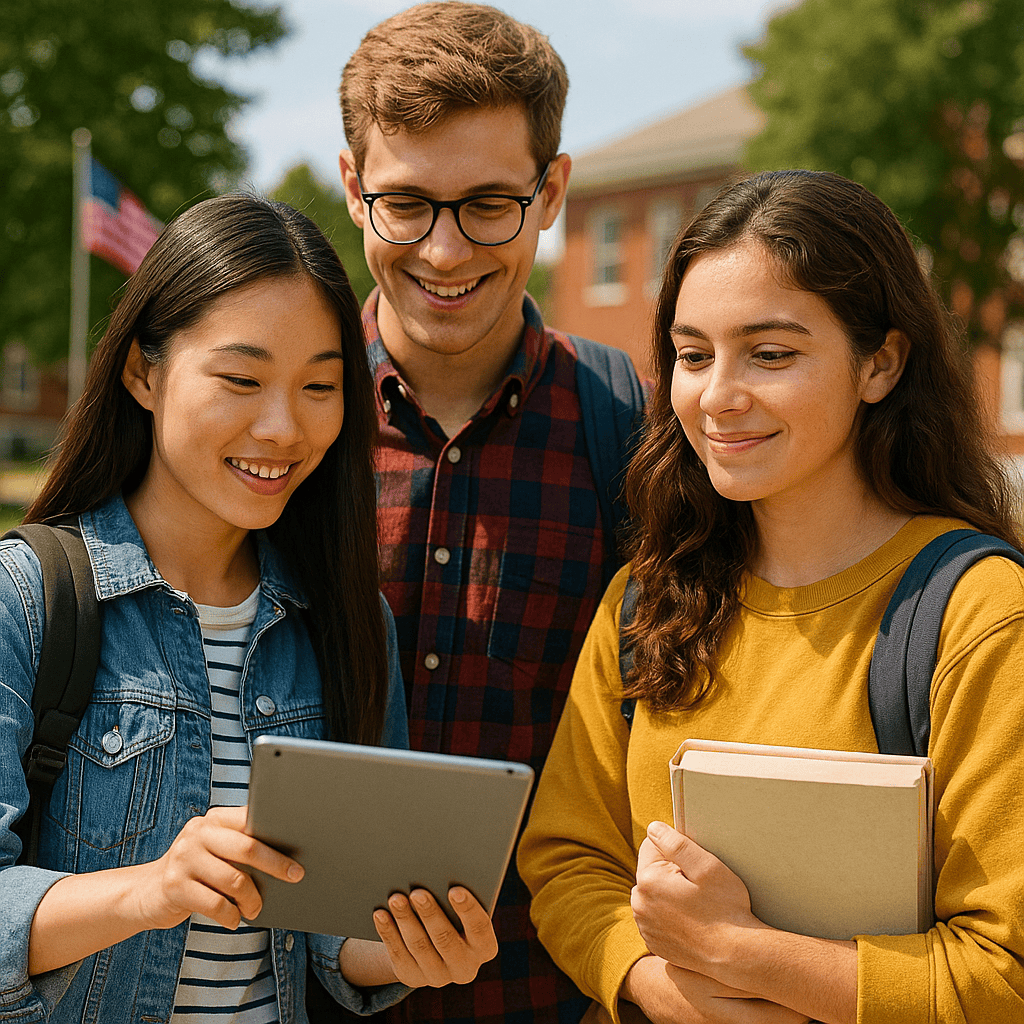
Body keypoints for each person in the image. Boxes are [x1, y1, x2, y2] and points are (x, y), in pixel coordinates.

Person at [517, 169, 1024, 1023]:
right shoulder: (643, 601)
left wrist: (740, 955)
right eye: (692, 355)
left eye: (771, 353)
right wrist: (654, 983)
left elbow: (1002, 975)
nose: (717, 396)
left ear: (881, 362)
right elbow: (568, 862)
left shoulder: (982, 615)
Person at [0, 193, 499, 1024]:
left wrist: (420, 948)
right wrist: (152, 891)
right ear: (143, 372)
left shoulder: (346, 621)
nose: (282, 426)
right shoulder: (25, 598)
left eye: (318, 387)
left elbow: (339, 936)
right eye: (241, 378)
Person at [333, 5, 646, 1024]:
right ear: (352, 189)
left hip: (552, 998)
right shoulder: (281, 427)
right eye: (407, 204)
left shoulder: (632, 434)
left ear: (551, 192)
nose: (444, 249)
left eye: (488, 205)